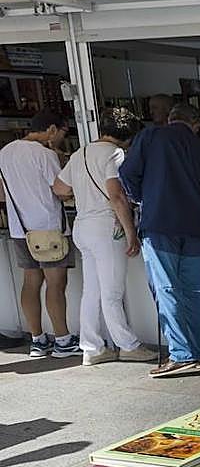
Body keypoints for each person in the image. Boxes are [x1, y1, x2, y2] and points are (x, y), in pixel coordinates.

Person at [52, 108, 157, 366]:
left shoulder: (80, 153)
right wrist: (131, 231)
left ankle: (92, 347)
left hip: (83, 225)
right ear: (128, 137)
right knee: (112, 292)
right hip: (105, 226)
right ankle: (128, 345)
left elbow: (59, 188)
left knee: (92, 291)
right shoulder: (115, 153)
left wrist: (84, 194)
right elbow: (116, 195)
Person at [120, 103, 200, 378]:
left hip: (159, 223)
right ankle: (198, 351)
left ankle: (181, 355)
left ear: (171, 119)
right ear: (195, 124)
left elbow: (127, 173)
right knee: (194, 292)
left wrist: (142, 197)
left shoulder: (150, 136)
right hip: (195, 225)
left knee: (167, 289)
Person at [0, 110, 81, 358]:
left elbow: (2, 194)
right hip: (49, 227)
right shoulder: (45, 154)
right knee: (56, 284)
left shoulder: (4, 152)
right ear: (52, 129)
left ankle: (37, 340)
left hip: (20, 228)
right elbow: (61, 190)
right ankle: (63, 340)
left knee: (31, 282)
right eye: (63, 133)